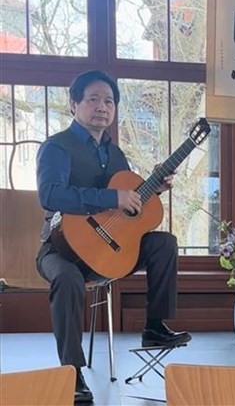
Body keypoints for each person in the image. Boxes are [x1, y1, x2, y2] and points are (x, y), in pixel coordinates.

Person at [35, 70, 191, 404]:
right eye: (93, 98)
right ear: (74, 103)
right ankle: (72, 372)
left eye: (109, 101)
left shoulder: (116, 154)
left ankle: (153, 326)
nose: (102, 107)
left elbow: (125, 211)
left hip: (107, 251)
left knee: (164, 243)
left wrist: (150, 192)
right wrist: (113, 198)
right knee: (67, 278)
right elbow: (51, 195)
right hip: (60, 251)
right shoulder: (56, 147)